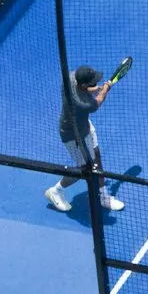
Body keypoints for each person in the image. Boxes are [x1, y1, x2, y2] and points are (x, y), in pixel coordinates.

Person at [47, 63, 123, 215]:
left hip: (85, 126)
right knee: (84, 169)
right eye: (91, 82)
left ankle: (103, 197)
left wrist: (94, 88)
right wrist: (105, 89)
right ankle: (55, 191)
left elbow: (85, 89)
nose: (95, 83)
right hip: (73, 136)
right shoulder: (83, 104)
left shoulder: (70, 78)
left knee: (97, 158)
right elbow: (97, 102)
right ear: (82, 85)